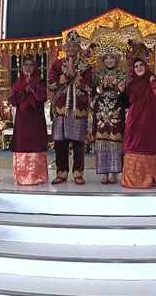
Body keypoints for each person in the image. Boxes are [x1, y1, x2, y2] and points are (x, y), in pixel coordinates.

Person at [48, 29, 92, 185]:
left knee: (79, 144)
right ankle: (62, 172)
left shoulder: (86, 66)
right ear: (64, 47)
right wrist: (66, 74)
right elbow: (51, 84)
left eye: (74, 46)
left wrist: (75, 75)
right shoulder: (56, 65)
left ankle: (78, 173)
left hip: (79, 109)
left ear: (79, 48)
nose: (71, 49)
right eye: (68, 46)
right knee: (60, 143)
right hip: (60, 110)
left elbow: (88, 86)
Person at [122, 58, 156, 189]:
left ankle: (149, 180)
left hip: (149, 123)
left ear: (146, 66)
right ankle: (132, 181)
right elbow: (127, 103)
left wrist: (153, 84)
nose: (139, 68)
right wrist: (122, 91)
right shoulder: (132, 84)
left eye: (141, 65)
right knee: (133, 148)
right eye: (136, 66)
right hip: (134, 122)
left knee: (148, 149)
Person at [92, 39, 128, 184]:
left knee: (115, 141)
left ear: (117, 59)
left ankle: (115, 172)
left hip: (116, 112)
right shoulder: (98, 74)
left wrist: (115, 87)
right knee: (102, 141)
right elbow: (93, 93)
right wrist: (102, 86)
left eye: (111, 57)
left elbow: (125, 95)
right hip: (101, 113)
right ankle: (104, 173)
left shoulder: (122, 75)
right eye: (106, 57)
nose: (108, 60)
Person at [9, 56, 48, 185]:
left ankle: (38, 177)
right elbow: (13, 101)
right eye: (25, 65)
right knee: (22, 146)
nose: (28, 67)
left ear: (35, 67)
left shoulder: (40, 82)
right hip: (22, 121)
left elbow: (42, 97)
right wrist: (24, 91)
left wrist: (32, 85)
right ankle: (21, 177)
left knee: (36, 145)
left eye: (31, 65)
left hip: (35, 120)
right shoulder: (17, 83)